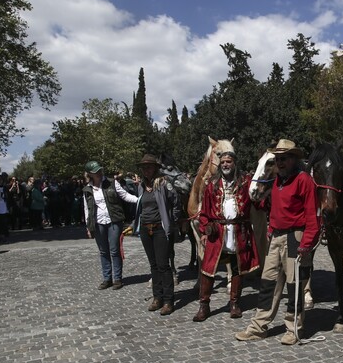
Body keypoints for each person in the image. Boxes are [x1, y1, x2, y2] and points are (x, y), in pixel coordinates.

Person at [235, 139, 320, 345]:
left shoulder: (304, 181)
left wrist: (306, 243)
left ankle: (293, 329)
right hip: (276, 237)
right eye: (277, 159)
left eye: (284, 159)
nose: (280, 163)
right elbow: (273, 209)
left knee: (294, 285)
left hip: (295, 237)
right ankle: (258, 327)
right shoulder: (276, 183)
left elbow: (313, 217)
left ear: (294, 159)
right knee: (268, 283)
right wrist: (271, 230)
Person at [192, 150, 260, 322]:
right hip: (218, 233)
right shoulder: (212, 185)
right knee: (208, 268)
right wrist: (203, 231)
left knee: (238, 268)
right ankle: (204, 305)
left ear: (235, 163)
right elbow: (205, 211)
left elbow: (258, 199)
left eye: (228, 162)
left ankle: (234, 303)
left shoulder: (245, 182)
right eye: (222, 163)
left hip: (239, 232)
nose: (225, 165)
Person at [130, 154, 181, 316]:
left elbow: (176, 203)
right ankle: (157, 298)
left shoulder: (164, 184)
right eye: (144, 168)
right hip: (146, 229)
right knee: (153, 265)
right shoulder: (142, 186)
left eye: (149, 167)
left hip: (160, 228)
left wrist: (171, 222)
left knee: (163, 265)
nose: (146, 170)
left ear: (155, 168)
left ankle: (168, 300)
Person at [82, 161, 138, 290]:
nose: (99, 173)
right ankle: (107, 279)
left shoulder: (112, 182)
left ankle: (117, 278)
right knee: (103, 251)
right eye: (96, 171)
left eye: (100, 170)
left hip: (114, 220)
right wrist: (88, 226)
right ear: (90, 174)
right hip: (98, 222)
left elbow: (125, 195)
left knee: (114, 250)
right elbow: (87, 209)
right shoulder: (87, 189)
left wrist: (139, 200)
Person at [0, 174, 10, 243]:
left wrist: (9, 206)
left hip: (3, 207)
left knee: (3, 223)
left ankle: (3, 237)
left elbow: (9, 198)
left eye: (0, 179)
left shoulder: (5, 188)